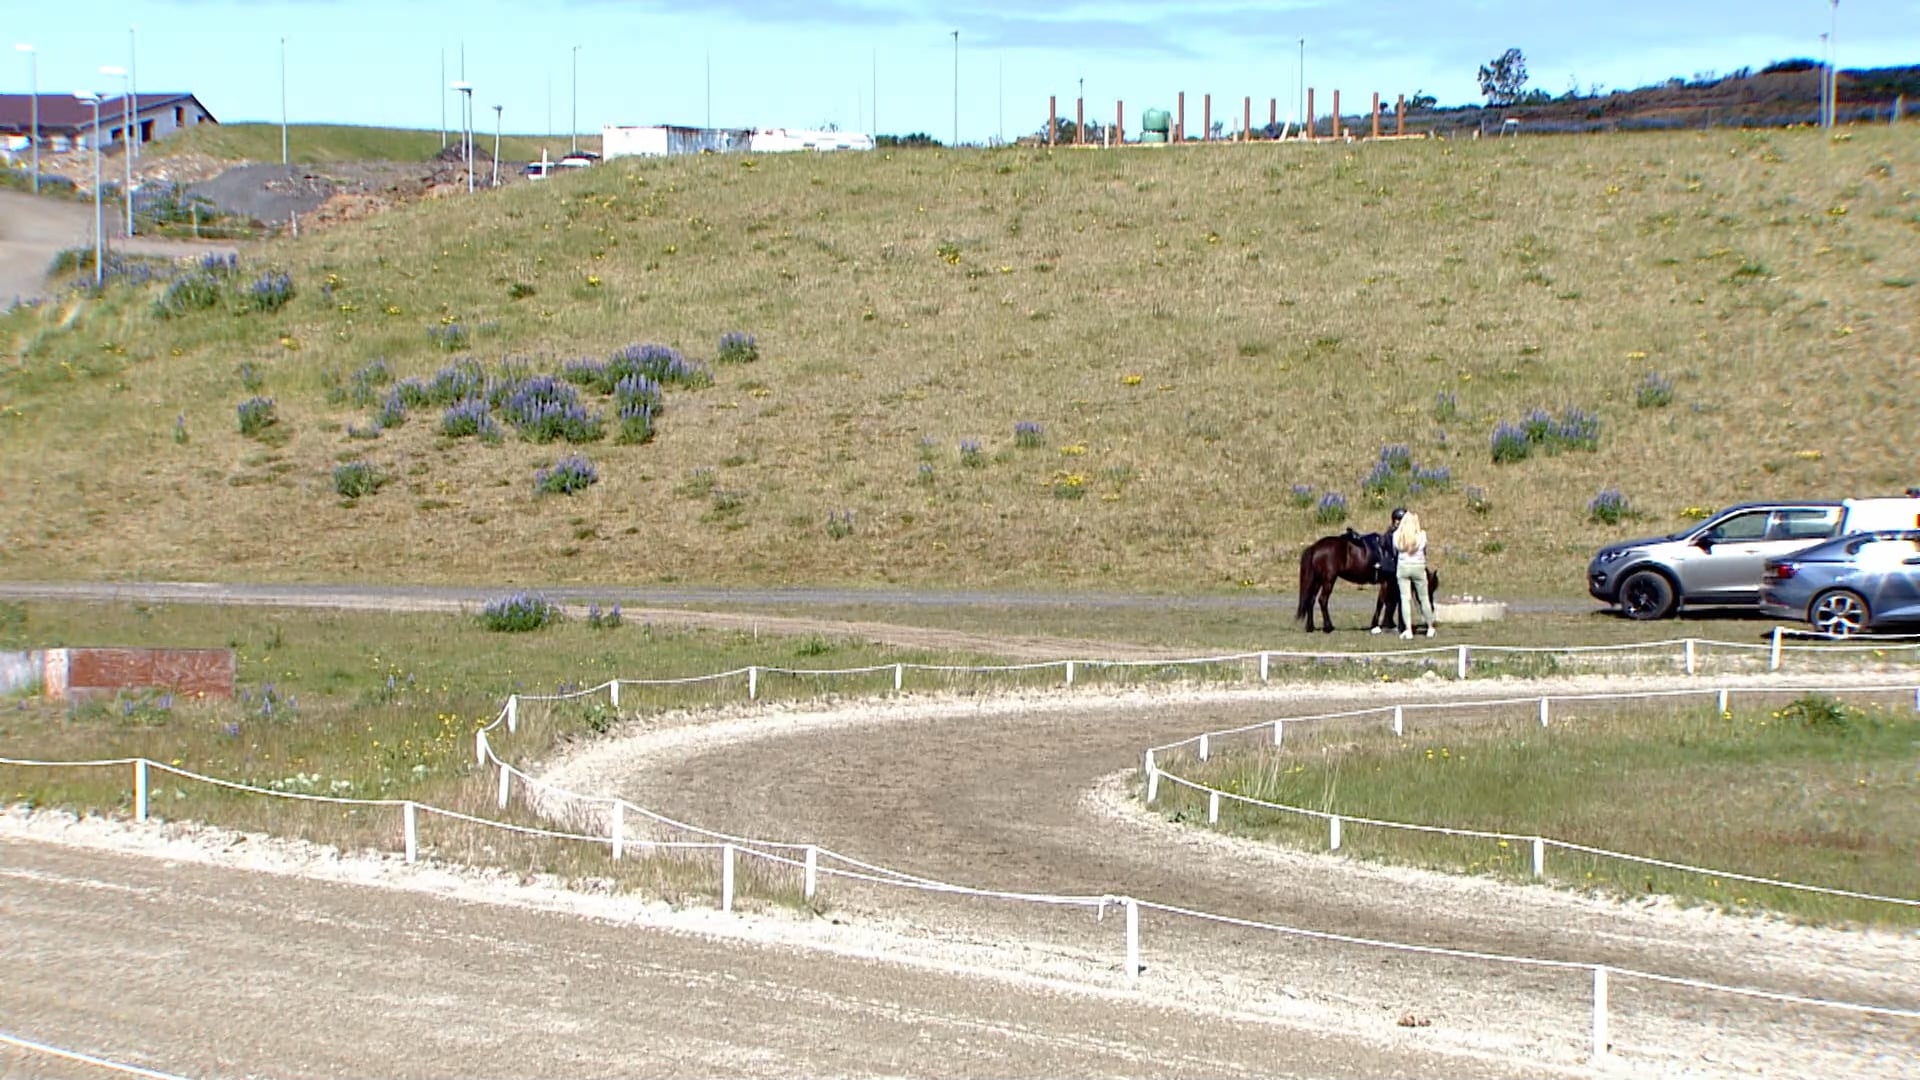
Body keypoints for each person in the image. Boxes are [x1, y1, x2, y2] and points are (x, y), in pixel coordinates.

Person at [1394, 510, 1436, 639]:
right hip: (1418, 567)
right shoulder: (1422, 535)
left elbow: (1395, 551)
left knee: (1405, 599)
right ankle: (1430, 627)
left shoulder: (1397, 535)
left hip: (1403, 567)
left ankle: (1408, 630)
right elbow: (1425, 551)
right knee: (1424, 598)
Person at [1368, 508, 1408, 635]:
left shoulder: (1402, 534)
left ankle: (1392, 621)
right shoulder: (1390, 534)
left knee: (1396, 598)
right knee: (1388, 597)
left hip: (1397, 567)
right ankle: (1381, 620)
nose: (1399, 523)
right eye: (1398, 520)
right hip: (1390, 568)